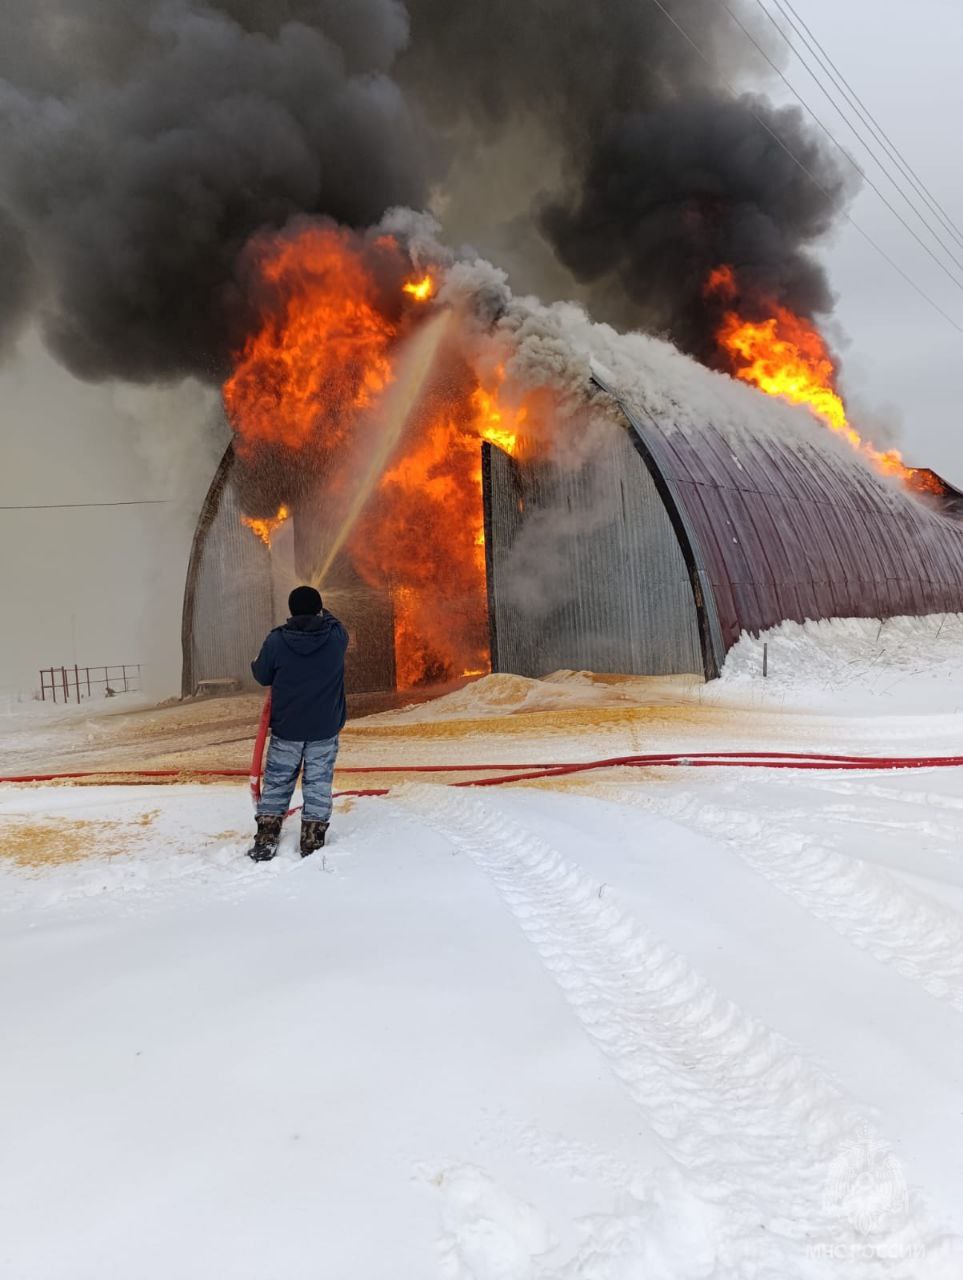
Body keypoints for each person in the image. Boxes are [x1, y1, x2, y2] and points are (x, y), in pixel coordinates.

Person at [248, 585, 349, 861]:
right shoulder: (336, 638)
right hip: (324, 730)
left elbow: (261, 674)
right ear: (319, 609)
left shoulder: (277, 641)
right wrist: (322, 611)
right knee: (318, 782)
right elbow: (334, 621)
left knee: (278, 781)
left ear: (291, 612)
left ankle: (267, 835)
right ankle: (312, 838)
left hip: (287, 729)